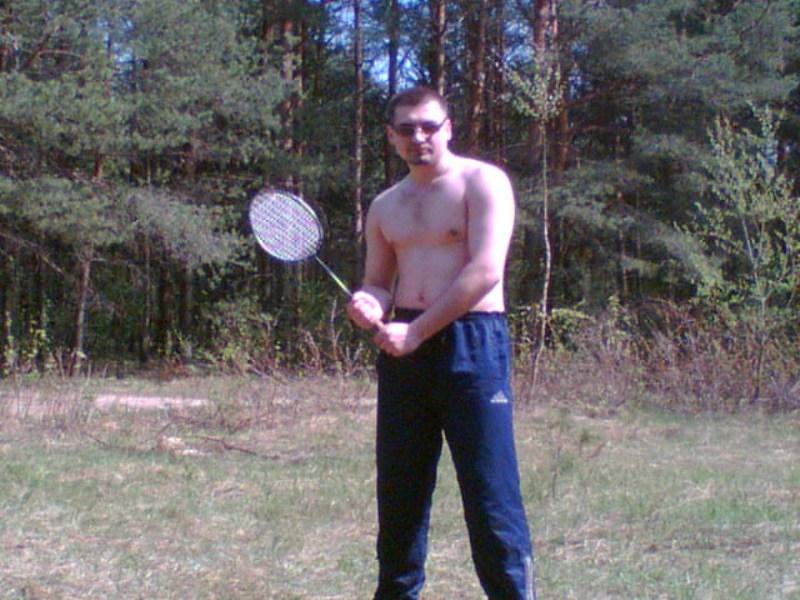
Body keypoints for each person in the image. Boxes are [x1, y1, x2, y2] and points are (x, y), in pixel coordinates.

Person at [347, 86, 536, 600]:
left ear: (448, 128)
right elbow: (379, 283)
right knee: (400, 494)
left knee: (491, 495)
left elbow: (485, 270)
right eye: (407, 129)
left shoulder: (482, 182)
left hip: (472, 342)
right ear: (391, 137)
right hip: (405, 351)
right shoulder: (385, 205)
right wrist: (368, 304)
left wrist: (416, 331)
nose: (419, 136)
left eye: (429, 126)